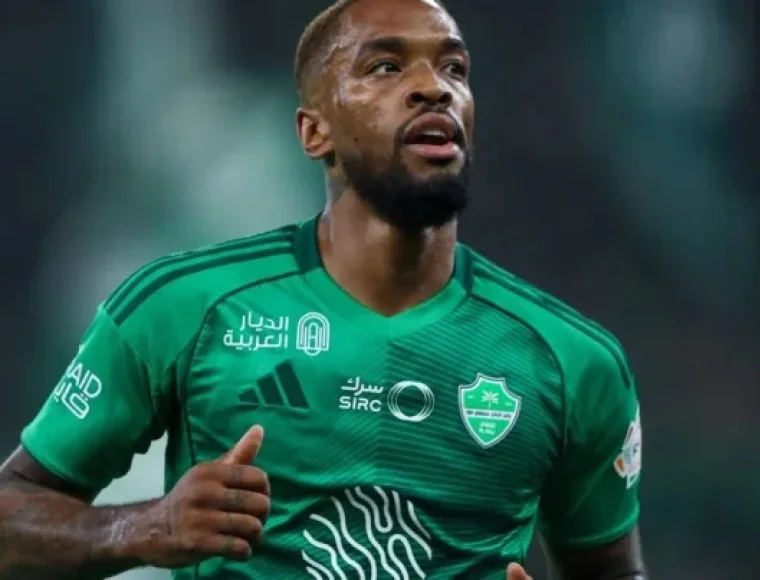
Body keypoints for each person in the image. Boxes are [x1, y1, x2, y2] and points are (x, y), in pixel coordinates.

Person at [0, 0, 646, 578]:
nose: (433, 87)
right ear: (314, 132)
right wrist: (146, 527)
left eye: (454, 68)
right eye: (386, 68)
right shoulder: (177, 307)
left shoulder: (571, 360)